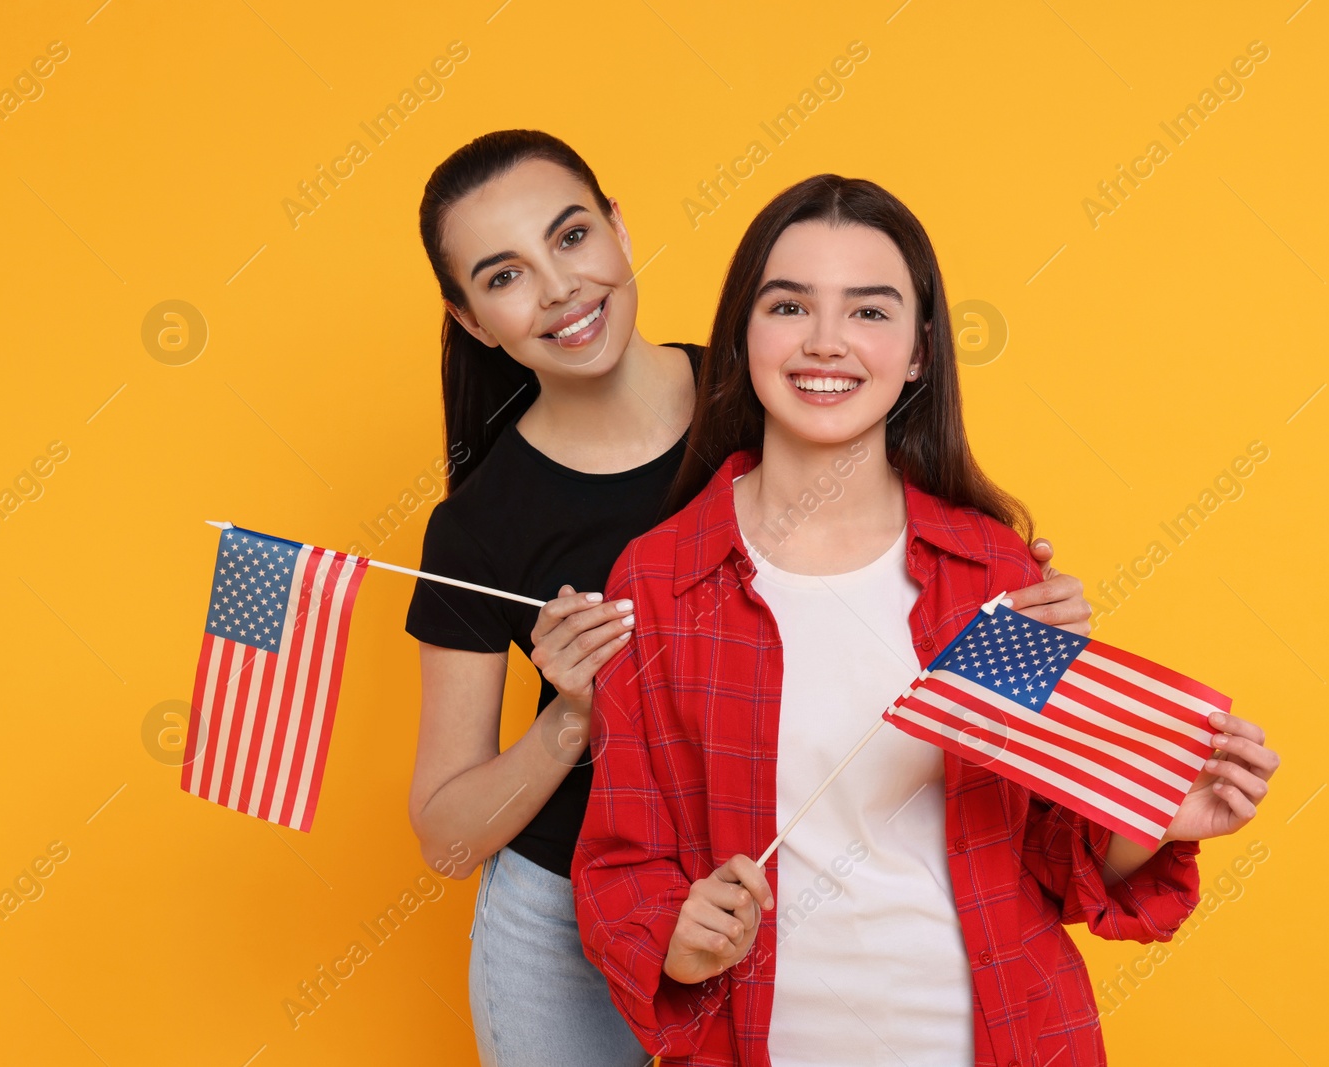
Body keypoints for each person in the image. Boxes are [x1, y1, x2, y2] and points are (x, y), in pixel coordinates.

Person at [403, 131, 1095, 1067]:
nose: (559, 287)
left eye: (570, 237)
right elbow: (446, 837)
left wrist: (1011, 598)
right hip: (579, 897)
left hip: (786, 902)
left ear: (617, 227)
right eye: (503, 275)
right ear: (473, 318)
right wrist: (571, 715)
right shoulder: (484, 526)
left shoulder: (780, 387)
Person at [572, 174, 1281, 1067]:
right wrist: (678, 938)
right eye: (789, 305)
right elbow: (619, 864)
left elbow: (1052, 859)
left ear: (917, 353)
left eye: (870, 312)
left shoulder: (995, 574)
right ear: (743, 335)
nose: (825, 341)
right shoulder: (663, 578)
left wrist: (1154, 818)